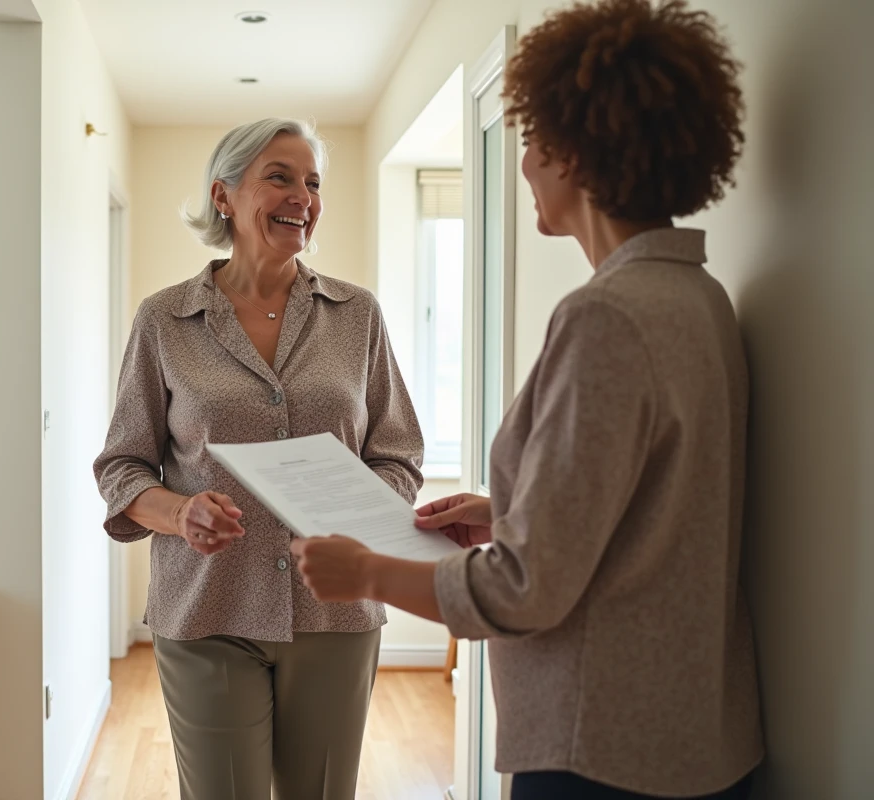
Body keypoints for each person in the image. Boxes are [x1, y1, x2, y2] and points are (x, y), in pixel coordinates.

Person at [290, 1, 764, 798]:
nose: (525, 164)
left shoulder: (607, 317)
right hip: (696, 738)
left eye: (533, 142)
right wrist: (510, 514)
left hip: (601, 748)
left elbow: (524, 589)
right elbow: (639, 515)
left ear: (576, 154)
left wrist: (367, 572)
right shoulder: (699, 298)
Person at [93, 118, 423, 800]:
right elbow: (122, 467)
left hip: (335, 611)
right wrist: (181, 511)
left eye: (312, 182)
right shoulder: (163, 320)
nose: (302, 195)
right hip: (207, 609)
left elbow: (397, 453)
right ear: (225, 196)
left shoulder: (358, 314)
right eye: (279, 177)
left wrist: (358, 508)